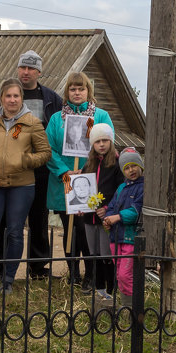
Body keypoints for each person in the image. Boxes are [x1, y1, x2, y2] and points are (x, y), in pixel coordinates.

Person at [0, 50, 63, 280]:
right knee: (3, 222)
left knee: (39, 219)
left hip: (40, 169)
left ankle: (38, 268)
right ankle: (2, 268)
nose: (26, 72)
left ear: (39, 72)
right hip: (8, 170)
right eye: (23, 67)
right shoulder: (3, 94)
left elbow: (59, 127)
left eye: (31, 68)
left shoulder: (50, 97)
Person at [0, 78, 51, 292]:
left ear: (21, 98)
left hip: (22, 185)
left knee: (16, 231)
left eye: (16, 96)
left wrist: (26, 161)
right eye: (8, 96)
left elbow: (45, 153)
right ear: (1, 98)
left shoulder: (32, 123)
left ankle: (8, 279)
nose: (12, 99)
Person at [45, 72, 113, 291]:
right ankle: (72, 272)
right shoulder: (57, 119)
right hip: (65, 181)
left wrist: (86, 171)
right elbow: (49, 149)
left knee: (87, 230)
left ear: (88, 91)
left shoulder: (100, 116)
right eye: (73, 89)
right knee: (70, 229)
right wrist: (65, 171)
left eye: (81, 89)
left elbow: (108, 145)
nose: (77, 93)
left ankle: (91, 274)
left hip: (90, 181)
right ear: (67, 92)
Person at [99, 148, 145, 311]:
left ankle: (132, 308)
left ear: (140, 166)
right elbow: (111, 206)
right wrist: (107, 219)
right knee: (120, 274)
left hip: (131, 238)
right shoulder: (121, 188)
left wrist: (117, 217)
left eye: (133, 165)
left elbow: (136, 210)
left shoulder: (143, 187)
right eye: (126, 167)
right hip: (116, 237)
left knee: (126, 275)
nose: (131, 170)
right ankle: (127, 305)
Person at [82, 123, 124, 297]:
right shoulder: (88, 165)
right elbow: (82, 189)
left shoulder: (116, 164)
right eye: (97, 141)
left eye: (105, 140)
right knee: (94, 254)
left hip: (108, 217)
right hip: (89, 218)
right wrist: (79, 206)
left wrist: (107, 208)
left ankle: (111, 289)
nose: (101, 144)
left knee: (107, 254)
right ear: (92, 144)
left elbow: (120, 190)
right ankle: (99, 289)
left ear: (110, 141)